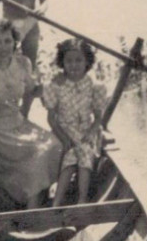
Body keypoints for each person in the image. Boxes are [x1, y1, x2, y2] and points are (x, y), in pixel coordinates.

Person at [0, 19, 61, 208]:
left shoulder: (23, 63)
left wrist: (56, 91)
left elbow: (32, 89)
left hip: (20, 124)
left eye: (7, 41)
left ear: (14, 42)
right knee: (34, 155)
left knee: (54, 145)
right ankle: (31, 206)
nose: (4, 46)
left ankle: (36, 197)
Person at [42, 39, 107, 205]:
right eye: (69, 61)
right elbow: (51, 118)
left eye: (79, 60)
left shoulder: (94, 85)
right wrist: (64, 138)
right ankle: (56, 202)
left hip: (87, 130)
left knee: (84, 152)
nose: (74, 65)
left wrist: (90, 133)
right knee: (70, 157)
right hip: (65, 130)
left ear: (87, 62)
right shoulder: (57, 85)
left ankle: (82, 199)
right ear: (62, 63)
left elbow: (98, 117)